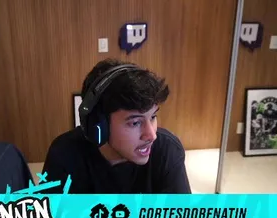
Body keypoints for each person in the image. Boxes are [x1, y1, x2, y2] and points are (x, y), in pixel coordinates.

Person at [42, 59, 190, 194]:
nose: (152, 135)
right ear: (98, 125)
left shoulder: (167, 151)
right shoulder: (64, 154)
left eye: (152, 117)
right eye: (135, 123)